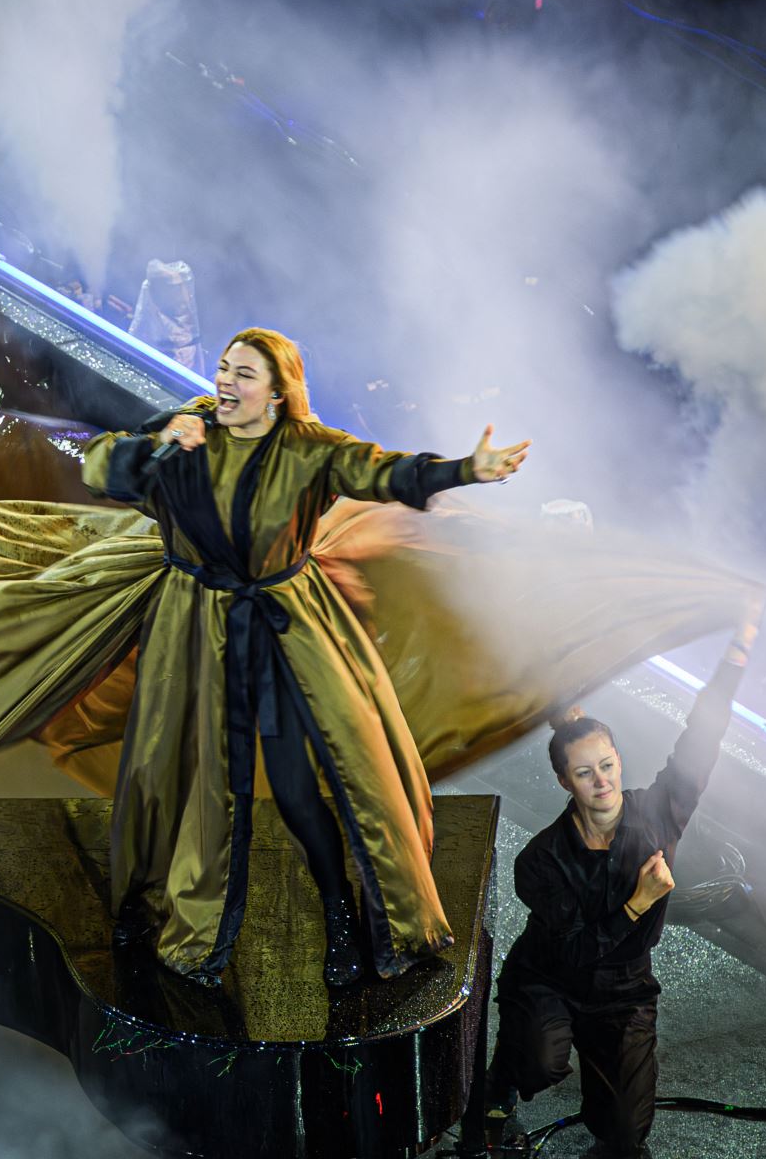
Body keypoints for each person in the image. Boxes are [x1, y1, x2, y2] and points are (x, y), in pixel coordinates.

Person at [81, 327, 530, 987]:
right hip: (194, 630)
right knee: (163, 772)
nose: (226, 384)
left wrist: (465, 470)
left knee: (295, 787)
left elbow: (386, 471)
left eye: (244, 375)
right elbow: (98, 467)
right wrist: (155, 447)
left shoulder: (307, 449)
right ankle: (142, 905)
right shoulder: (186, 426)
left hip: (278, 631)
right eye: (223, 369)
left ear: (278, 393)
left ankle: (339, 914)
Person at [483, 596, 765, 1158]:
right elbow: (573, 954)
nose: (601, 781)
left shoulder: (658, 812)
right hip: (550, 980)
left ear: (619, 760)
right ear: (565, 782)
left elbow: (701, 737)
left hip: (623, 991)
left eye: (607, 765)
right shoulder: (539, 861)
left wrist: (739, 647)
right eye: (584, 773)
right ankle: (499, 1081)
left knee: (625, 1135)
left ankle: (602, 1086)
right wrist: (638, 904)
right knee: (543, 1063)